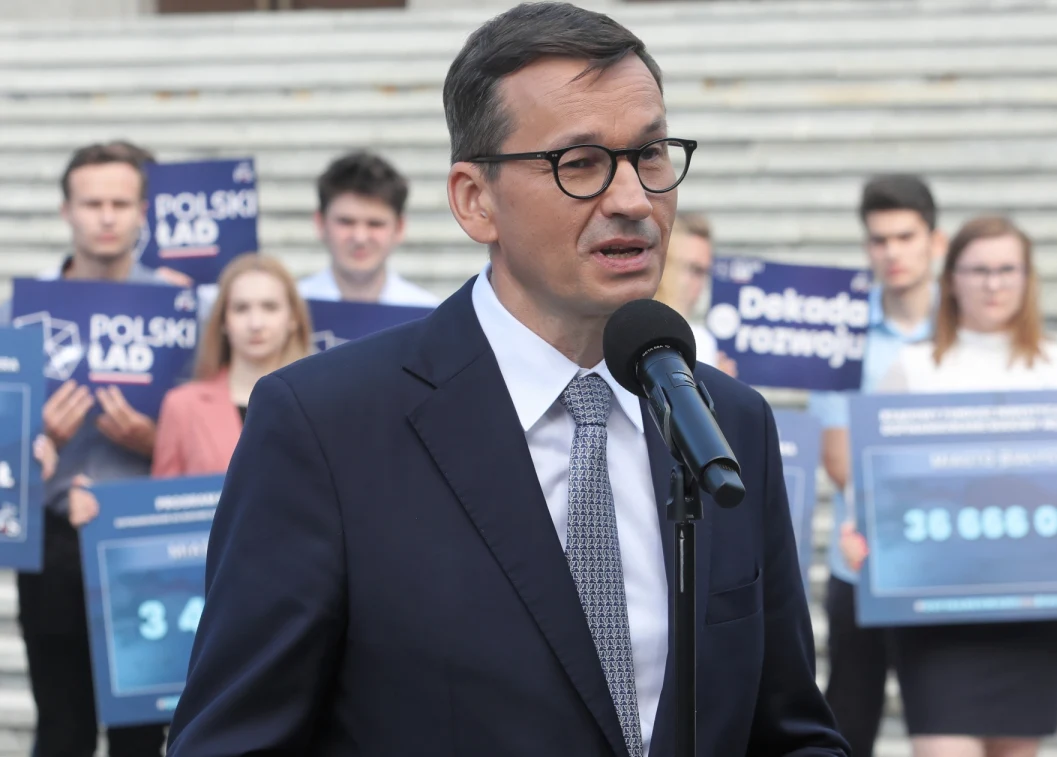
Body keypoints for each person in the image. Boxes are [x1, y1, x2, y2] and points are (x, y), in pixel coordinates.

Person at [166, 4, 849, 756]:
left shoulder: (727, 421)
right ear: (474, 200)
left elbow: (790, 732)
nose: (633, 200)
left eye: (651, 154)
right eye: (580, 163)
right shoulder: (324, 426)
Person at [876, 215, 1057, 757]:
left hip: (1033, 604)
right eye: (979, 270)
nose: (994, 284)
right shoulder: (913, 367)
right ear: (951, 279)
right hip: (937, 605)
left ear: (1028, 278)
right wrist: (866, 531)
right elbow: (880, 485)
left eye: (1007, 269)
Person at [0, 141, 175, 757]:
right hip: (54, 537)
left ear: (142, 212)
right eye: (92, 203)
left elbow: (213, 427)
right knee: (61, 724)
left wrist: (154, 439)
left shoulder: (180, 308)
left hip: (148, 536)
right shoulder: (21, 314)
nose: (106, 217)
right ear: (65, 211)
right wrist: (36, 436)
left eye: (120, 204)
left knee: (143, 732)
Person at [805, 174, 945, 757]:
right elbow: (839, 459)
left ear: (935, 242)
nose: (892, 252)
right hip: (863, 561)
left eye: (905, 237)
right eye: (879, 240)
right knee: (848, 724)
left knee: (947, 727)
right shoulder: (844, 332)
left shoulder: (967, 323)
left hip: (951, 559)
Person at [152, 254, 312, 478]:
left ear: (293, 318)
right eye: (241, 308)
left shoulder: (318, 405)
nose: (255, 323)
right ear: (223, 321)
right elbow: (163, 496)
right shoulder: (181, 406)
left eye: (270, 307)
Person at [297, 150, 441, 306]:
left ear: (399, 227)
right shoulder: (291, 309)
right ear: (320, 223)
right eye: (346, 222)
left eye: (375, 224)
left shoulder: (428, 311)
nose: (360, 237)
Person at [652, 211, 736, 375]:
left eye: (705, 273)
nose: (700, 284)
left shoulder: (701, 340)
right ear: (662, 262)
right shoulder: (698, 341)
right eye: (693, 269)